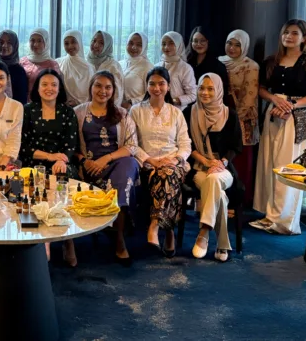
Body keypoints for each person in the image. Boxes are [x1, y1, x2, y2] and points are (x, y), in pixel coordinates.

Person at [252, 20, 306, 235]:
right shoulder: (271, 61)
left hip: (297, 117)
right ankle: (269, 215)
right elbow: (261, 89)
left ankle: (284, 221)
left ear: (304, 38)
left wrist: (291, 105)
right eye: (286, 33)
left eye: (294, 33)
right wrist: (275, 99)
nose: (289, 37)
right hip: (273, 114)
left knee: (288, 165)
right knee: (268, 162)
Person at [74, 71, 139, 265]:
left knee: (128, 166)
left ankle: (119, 239)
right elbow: (71, 146)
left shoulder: (121, 114)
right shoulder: (78, 112)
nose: (103, 91)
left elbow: (132, 146)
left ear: (113, 90)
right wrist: (84, 161)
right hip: (89, 167)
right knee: (120, 176)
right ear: (91, 87)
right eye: (98, 86)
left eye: (108, 87)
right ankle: (113, 231)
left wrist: (107, 158)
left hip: (116, 163)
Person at [130, 66, 191, 258]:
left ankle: (155, 226)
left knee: (168, 173)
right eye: (152, 84)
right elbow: (131, 143)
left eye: (161, 84)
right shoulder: (136, 111)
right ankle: (170, 231)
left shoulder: (176, 112)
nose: (157, 88)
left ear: (168, 86)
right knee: (164, 175)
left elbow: (185, 144)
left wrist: (175, 159)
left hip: (174, 162)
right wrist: (151, 160)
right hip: (146, 163)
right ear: (146, 86)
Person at [183, 74, 243, 262]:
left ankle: (204, 231)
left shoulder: (230, 114)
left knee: (215, 179)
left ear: (219, 90)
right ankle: (222, 245)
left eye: (210, 88)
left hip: (223, 169)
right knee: (219, 195)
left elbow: (236, 146)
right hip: (199, 167)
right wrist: (206, 161)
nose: (205, 92)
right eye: (201, 88)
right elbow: (186, 144)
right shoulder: (189, 112)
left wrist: (221, 162)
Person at [219, 29, 259, 204]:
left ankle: (239, 202)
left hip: (241, 118)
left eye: (237, 45)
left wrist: (233, 119)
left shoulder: (250, 66)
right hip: (221, 113)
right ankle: (221, 198)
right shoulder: (220, 61)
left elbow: (249, 97)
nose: (232, 48)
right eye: (229, 43)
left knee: (240, 159)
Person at [20, 69, 80, 179]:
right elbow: (22, 146)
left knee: (62, 174)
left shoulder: (68, 112)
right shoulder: (27, 110)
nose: (49, 88)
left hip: (61, 162)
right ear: (37, 88)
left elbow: (71, 145)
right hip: (33, 163)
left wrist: (61, 161)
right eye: (44, 84)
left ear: (59, 89)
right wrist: (49, 156)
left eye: (54, 85)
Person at [185, 26, 230, 102]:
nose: (198, 44)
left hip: (209, 104)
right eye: (195, 41)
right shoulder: (186, 62)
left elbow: (222, 92)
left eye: (202, 41)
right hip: (187, 103)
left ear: (209, 41)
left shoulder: (218, 66)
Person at [156, 31, 196, 110]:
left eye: (171, 43)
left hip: (177, 111)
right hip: (157, 109)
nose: (166, 47)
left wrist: (172, 101)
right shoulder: (156, 66)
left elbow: (192, 95)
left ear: (179, 45)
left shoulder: (185, 68)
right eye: (163, 44)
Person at [20, 28, 61, 101]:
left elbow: (55, 89)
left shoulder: (52, 65)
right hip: (22, 103)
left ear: (46, 42)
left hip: (43, 103)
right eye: (32, 40)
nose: (35, 44)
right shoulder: (22, 61)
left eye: (39, 41)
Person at [87, 30, 125, 107]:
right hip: (88, 107)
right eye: (94, 41)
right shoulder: (86, 62)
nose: (96, 45)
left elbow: (117, 93)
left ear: (107, 46)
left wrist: (108, 109)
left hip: (108, 109)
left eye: (101, 43)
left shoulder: (113, 66)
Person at [56, 29, 93, 107]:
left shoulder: (88, 67)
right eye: (66, 43)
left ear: (79, 42)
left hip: (83, 108)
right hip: (62, 107)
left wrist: (78, 102)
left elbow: (91, 92)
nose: (70, 46)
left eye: (73, 42)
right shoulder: (59, 63)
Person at [0, 30, 30, 105]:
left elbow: (21, 102)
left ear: (15, 46)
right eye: (1, 42)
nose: (4, 45)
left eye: (9, 43)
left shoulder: (19, 71)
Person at [122, 31, 154, 108]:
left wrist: (131, 102)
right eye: (131, 43)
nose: (134, 47)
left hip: (139, 110)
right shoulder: (120, 64)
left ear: (144, 47)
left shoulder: (148, 67)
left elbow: (152, 93)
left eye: (139, 45)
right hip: (118, 110)